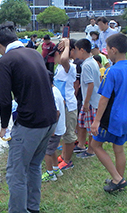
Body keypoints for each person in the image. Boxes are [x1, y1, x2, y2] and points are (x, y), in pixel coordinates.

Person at [0, 21, 57, 213]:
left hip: (31, 124)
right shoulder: (34, 53)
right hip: (50, 120)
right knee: (34, 166)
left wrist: (4, 126)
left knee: (15, 174)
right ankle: (32, 208)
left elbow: (4, 100)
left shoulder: (5, 61)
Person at [91, 33, 127, 193]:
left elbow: (104, 99)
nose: (106, 52)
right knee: (119, 149)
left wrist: (96, 121)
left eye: (107, 49)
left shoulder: (112, 71)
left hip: (112, 118)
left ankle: (117, 179)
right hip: (125, 118)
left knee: (95, 145)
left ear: (114, 50)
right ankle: (119, 180)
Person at [51, 39, 79, 171]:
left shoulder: (70, 66)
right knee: (63, 132)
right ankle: (63, 155)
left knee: (69, 134)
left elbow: (64, 60)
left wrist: (67, 44)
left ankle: (67, 161)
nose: (55, 57)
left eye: (57, 54)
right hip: (61, 105)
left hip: (69, 106)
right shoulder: (60, 68)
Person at [74, 38, 101, 159]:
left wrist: (86, 103)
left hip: (91, 102)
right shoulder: (92, 62)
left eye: (76, 50)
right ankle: (81, 145)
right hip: (92, 100)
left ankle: (91, 150)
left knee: (90, 127)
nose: (75, 53)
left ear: (82, 50)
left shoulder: (87, 65)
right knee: (82, 123)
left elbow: (90, 84)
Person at [42, 71, 66, 182]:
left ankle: (50, 173)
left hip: (54, 130)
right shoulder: (55, 90)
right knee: (52, 149)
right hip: (59, 129)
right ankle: (56, 169)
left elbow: (57, 113)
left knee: (46, 151)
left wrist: (52, 128)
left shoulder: (52, 94)